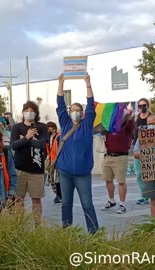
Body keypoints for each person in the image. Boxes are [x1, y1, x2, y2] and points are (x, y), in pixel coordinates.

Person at [56, 72, 99, 234]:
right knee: (66, 203)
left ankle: (94, 234)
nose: (75, 112)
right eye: (72, 110)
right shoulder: (65, 123)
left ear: (82, 113)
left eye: (77, 110)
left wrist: (87, 82)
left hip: (82, 173)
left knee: (87, 204)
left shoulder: (87, 125)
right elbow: (60, 104)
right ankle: (67, 233)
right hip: (65, 172)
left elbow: (91, 105)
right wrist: (61, 83)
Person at [10, 101, 48, 226]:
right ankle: (18, 224)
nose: (29, 113)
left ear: (36, 113)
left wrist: (25, 139)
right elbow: (14, 146)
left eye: (31, 110)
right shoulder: (16, 127)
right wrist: (27, 137)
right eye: (26, 110)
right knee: (18, 199)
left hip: (36, 170)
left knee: (36, 199)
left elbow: (41, 144)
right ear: (22, 112)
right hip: (19, 169)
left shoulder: (42, 127)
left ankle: (37, 225)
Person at [101, 108, 136, 214]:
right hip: (108, 156)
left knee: (121, 181)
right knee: (108, 180)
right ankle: (111, 200)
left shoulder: (127, 126)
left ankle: (122, 204)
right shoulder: (109, 127)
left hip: (121, 156)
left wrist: (129, 115)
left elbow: (132, 125)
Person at [133, 98, 152, 205]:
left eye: (144, 105)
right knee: (139, 174)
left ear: (148, 105)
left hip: (150, 149)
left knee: (149, 174)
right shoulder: (137, 120)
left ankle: (152, 194)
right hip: (138, 149)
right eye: (140, 106)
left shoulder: (153, 117)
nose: (142, 107)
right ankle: (144, 195)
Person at [46, 121, 62, 204]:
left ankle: (59, 195)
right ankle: (58, 195)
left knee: (57, 179)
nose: (48, 129)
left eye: (50, 127)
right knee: (52, 179)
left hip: (57, 160)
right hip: (51, 160)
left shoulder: (58, 137)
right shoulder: (48, 137)